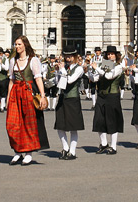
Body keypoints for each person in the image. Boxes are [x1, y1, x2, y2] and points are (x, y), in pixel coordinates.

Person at [6, 36, 49, 166]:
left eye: (19, 44)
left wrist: (42, 95)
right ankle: (17, 151)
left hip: (27, 93)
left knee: (28, 123)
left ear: (25, 45)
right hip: (15, 93)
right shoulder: (13, 61)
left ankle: (28, 153)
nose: (17, 46)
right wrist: (8, 98)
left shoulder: (33, 60)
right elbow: (11, 81)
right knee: (12, 124)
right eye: (15, 44)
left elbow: (38, 78)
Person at [89, 45, 124, 154]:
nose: (110, 56)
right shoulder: (105, 64)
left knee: (112, 121)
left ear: (116, 56)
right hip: (102, 95)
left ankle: (113, 146)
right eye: (108, 54)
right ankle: (104, 144)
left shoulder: (119, 66)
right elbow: (96, 78)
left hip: (112, 96)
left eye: (112, 54)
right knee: (99, 120)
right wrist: (89, 71)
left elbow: (109, 76)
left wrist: (97, 68)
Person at [54, 44, 85, 160]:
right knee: (60, 126)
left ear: (75, 56)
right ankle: (65, 148)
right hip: (62, 98)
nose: (68, 59)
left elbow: (70, 80)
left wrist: (62, 70)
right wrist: (57, 72)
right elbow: (58, 82)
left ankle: (72, 151)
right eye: (66, 56)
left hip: (73, 99)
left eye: (70, 56)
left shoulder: (79, 68)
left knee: (73, 127)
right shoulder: (64, 68)